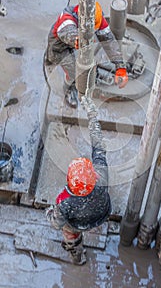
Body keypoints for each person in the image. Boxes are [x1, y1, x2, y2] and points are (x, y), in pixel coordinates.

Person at [46, 96, 111, 265]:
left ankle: (77, 255)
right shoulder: (102, 176)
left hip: (78, 225)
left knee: (69, 234)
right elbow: (98, 143)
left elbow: (56, 223)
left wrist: (49, 213)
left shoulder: (65, 202)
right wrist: (92, 115)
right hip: (101, 215)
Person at [44, 1, 128, 108]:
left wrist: (120, 66)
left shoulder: (97, 17)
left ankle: (51, 59)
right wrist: (76, 39)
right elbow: (67, 31)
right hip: (59, 47)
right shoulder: (67, 20)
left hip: (74, 42)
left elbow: (109, 41)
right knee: (74, 72)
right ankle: (68, 90)